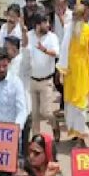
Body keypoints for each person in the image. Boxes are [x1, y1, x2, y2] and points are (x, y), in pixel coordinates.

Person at [58, 5, 89, 144]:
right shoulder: (68, 30)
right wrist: (61, 73)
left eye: (78, 16)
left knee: (81, 107)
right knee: (70, 107)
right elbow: (63, 52)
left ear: (84, 16)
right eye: (74, 16)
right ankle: (76, 134)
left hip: (83, 74)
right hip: (70, 75)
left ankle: (81, 138)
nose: (75, 18)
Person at [27, 12, 61, 142]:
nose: (48, 25)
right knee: (34, 114)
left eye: (48, 22)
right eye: (45, 22)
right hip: (32, 80)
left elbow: (56, 53)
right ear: (37, 25)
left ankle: (55, 125)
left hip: (46, 81)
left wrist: (44, 50)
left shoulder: (52, 37)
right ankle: (36, 138)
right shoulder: (29, 36)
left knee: (45, 112)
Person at [0, 48, 28, 135]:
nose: (1, 69)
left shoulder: (16, 83)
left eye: (4, 66)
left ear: (8, 64)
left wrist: (15, 130)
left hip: (11, 135)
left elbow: (22, 111)